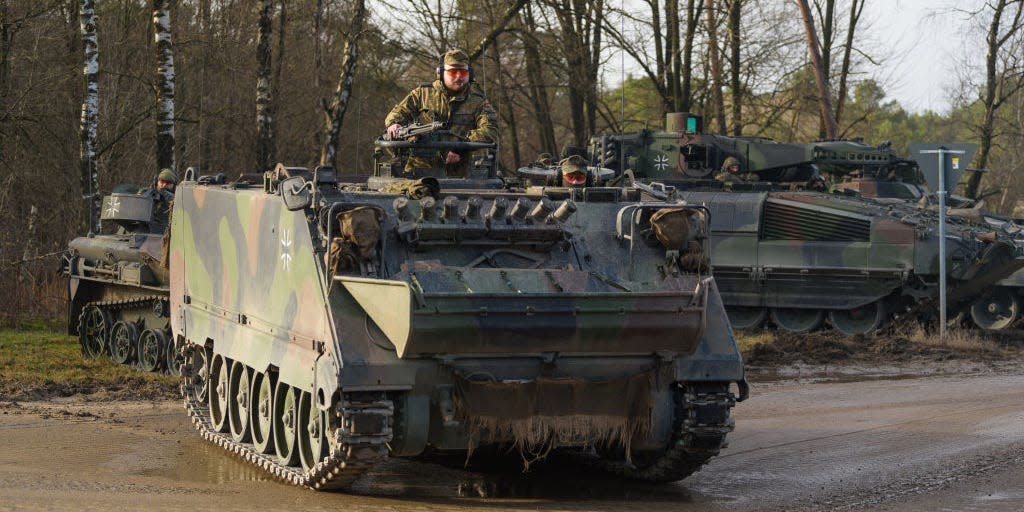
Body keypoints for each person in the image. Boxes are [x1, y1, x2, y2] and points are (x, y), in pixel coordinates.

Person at [384, 49, 498, 177]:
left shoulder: (478, 101)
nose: (459, 76)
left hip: (460, 175)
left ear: (470, 74)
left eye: (463, 71)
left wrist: (461, 146)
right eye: (453, 71)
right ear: (441, 73)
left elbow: (490, 131)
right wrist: (394, 124)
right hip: (419, 172)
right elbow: (397, 113)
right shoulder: (422, 94)